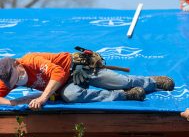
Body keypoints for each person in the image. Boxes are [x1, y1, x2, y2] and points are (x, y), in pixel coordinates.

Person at [0, 51, 174, 111]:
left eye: (16, 76)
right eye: (13, 82)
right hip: (63, 86)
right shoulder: (8, 79)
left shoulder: (31, 60)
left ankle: (152, 82)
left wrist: (43, 97)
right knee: (71, 96)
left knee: (118, 80)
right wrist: (12, 101)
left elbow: (58, 72)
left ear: (17, 64)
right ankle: (125, 96)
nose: (16, 82)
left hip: (76, 69)